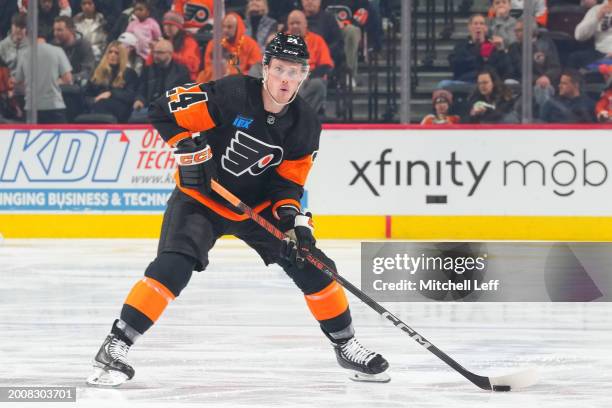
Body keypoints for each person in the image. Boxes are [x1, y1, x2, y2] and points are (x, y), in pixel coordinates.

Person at [86, 32, 389, 388]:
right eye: (279, 70)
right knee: (173, 267)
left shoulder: (305, 124)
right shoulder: (230, 95)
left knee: (315, 265)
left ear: (305, 75)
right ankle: (115, 345)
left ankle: (345, 344)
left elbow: (287, 185)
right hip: (200, 199)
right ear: (265, 69)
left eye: (295, 72)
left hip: (255, 208)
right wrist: (186, 149)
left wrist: (296, 226)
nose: (286, 80)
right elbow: (161, 110)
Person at [130, 39, 191, 122]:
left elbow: (185, 94)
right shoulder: (148, 70)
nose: (156, 55)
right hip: (151, 108)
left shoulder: (181, 71)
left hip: (171, 109)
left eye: (160, 53)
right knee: (135, 116)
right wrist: (139, 100)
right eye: (154, 52)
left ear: (170, 53)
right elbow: (142, 89)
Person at [15, 36, 73, 123]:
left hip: (31, 108)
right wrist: (53, 82)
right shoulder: (57, 51)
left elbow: (19, 81)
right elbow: (68, 79)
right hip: (54, 106)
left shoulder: (24, 53)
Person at [444, 14, 512, 86]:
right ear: (469, 27)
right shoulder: (461, 46)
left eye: (481, 24)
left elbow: (507, 70)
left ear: (486, 28)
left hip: (490, 83)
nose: (478, 26)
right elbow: (455, 65)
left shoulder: (494, 45)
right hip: (467, 82)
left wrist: (501, 50)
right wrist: (479, 57)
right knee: (444, 84)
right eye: (475, 24)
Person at [287, 9, 334, 113]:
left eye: (298, 23)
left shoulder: (317, 40)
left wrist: (308, 75)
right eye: (291, 23)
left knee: (318, 85)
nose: (295, 26)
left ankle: (300, 116)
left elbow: (326, 65)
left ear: (305, 24)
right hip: (287, 80)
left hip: (309, 79)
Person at [196, 12, 261, 83]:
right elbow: (208, 67)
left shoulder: (251, 44)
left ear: (238, 28)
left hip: (241, 82)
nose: (225, 30)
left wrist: (233, 73)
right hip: (217, 80)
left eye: (229, 27)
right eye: (223, 26)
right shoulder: (214, 44)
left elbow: (255, 70)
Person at [84, 41, 138, 122]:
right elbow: (86, 95)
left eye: (116, 53)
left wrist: (111, 93)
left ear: (122, 56)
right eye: (110, 52)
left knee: (102, 104)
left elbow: (130, 96)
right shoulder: (96, 73)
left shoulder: (129, 73)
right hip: (97, 106)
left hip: (120, 109)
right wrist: (94, 100)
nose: (112, 55)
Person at [150, 11, 201, 81]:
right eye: (165, 25)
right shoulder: (163, 41)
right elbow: (149, 64)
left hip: (185, 79)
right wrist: (153, 52)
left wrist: (169, 54)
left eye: (170, 25)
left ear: (179, 27)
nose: (166, 28)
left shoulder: (189, 42)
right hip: (165, 76)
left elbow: (193, 65)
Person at [301, 0, 346, 70]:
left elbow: (338, 43)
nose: (310, 1)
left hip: (323, 62)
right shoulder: (294, 19)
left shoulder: (329, 19)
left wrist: (322, 52)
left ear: (320, 2)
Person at [52, 15, 95, 86]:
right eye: (54, 30)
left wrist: (70, 79)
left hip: (76, 88)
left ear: (71, 30)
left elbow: (88, 72)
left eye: (60, 30)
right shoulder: (53, 45)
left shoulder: (84, 45)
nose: (56, 33)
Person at [570, 0, 612, 69]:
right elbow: (579, 36)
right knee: (575, 58)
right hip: (600, 53)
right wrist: (597, 17)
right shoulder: (597, 9)